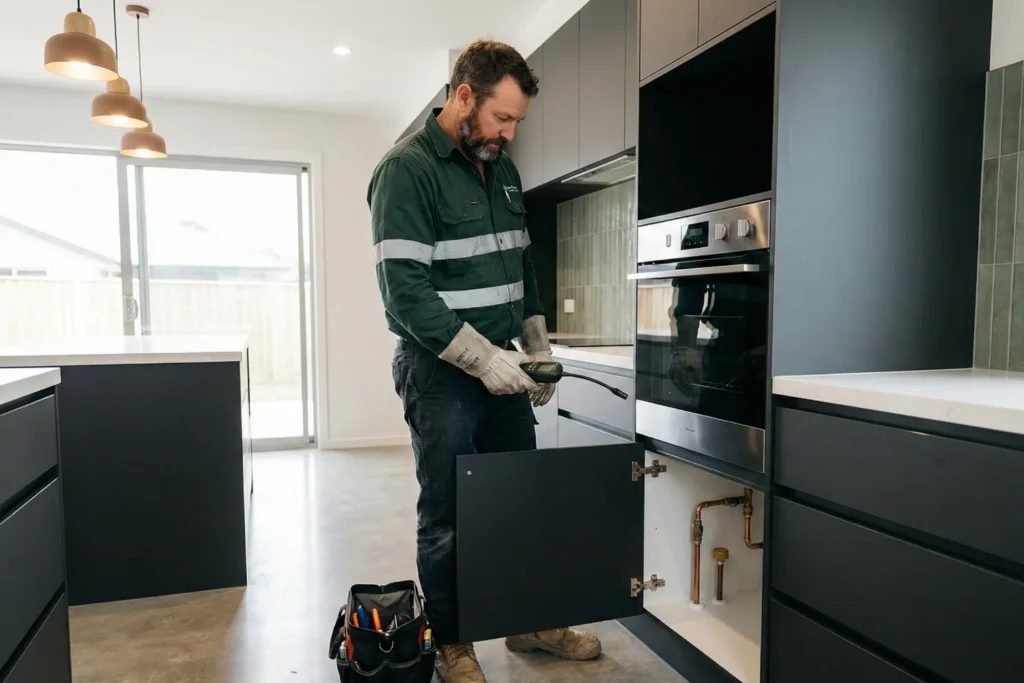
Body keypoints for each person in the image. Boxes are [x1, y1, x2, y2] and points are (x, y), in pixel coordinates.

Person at [367, 40, 602, 683]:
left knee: (515, 502)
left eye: (518, 120)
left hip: (504, 370)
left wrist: (536, 343)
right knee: (447, 514)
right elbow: (404, 289)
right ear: (463, 97)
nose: (510, 131)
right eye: (503, 117)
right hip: (440, 374)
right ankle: (453, 641)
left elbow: (520, 264)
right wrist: (480, 360)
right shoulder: (406, 171)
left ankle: (527, 621)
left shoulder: (500, 168)